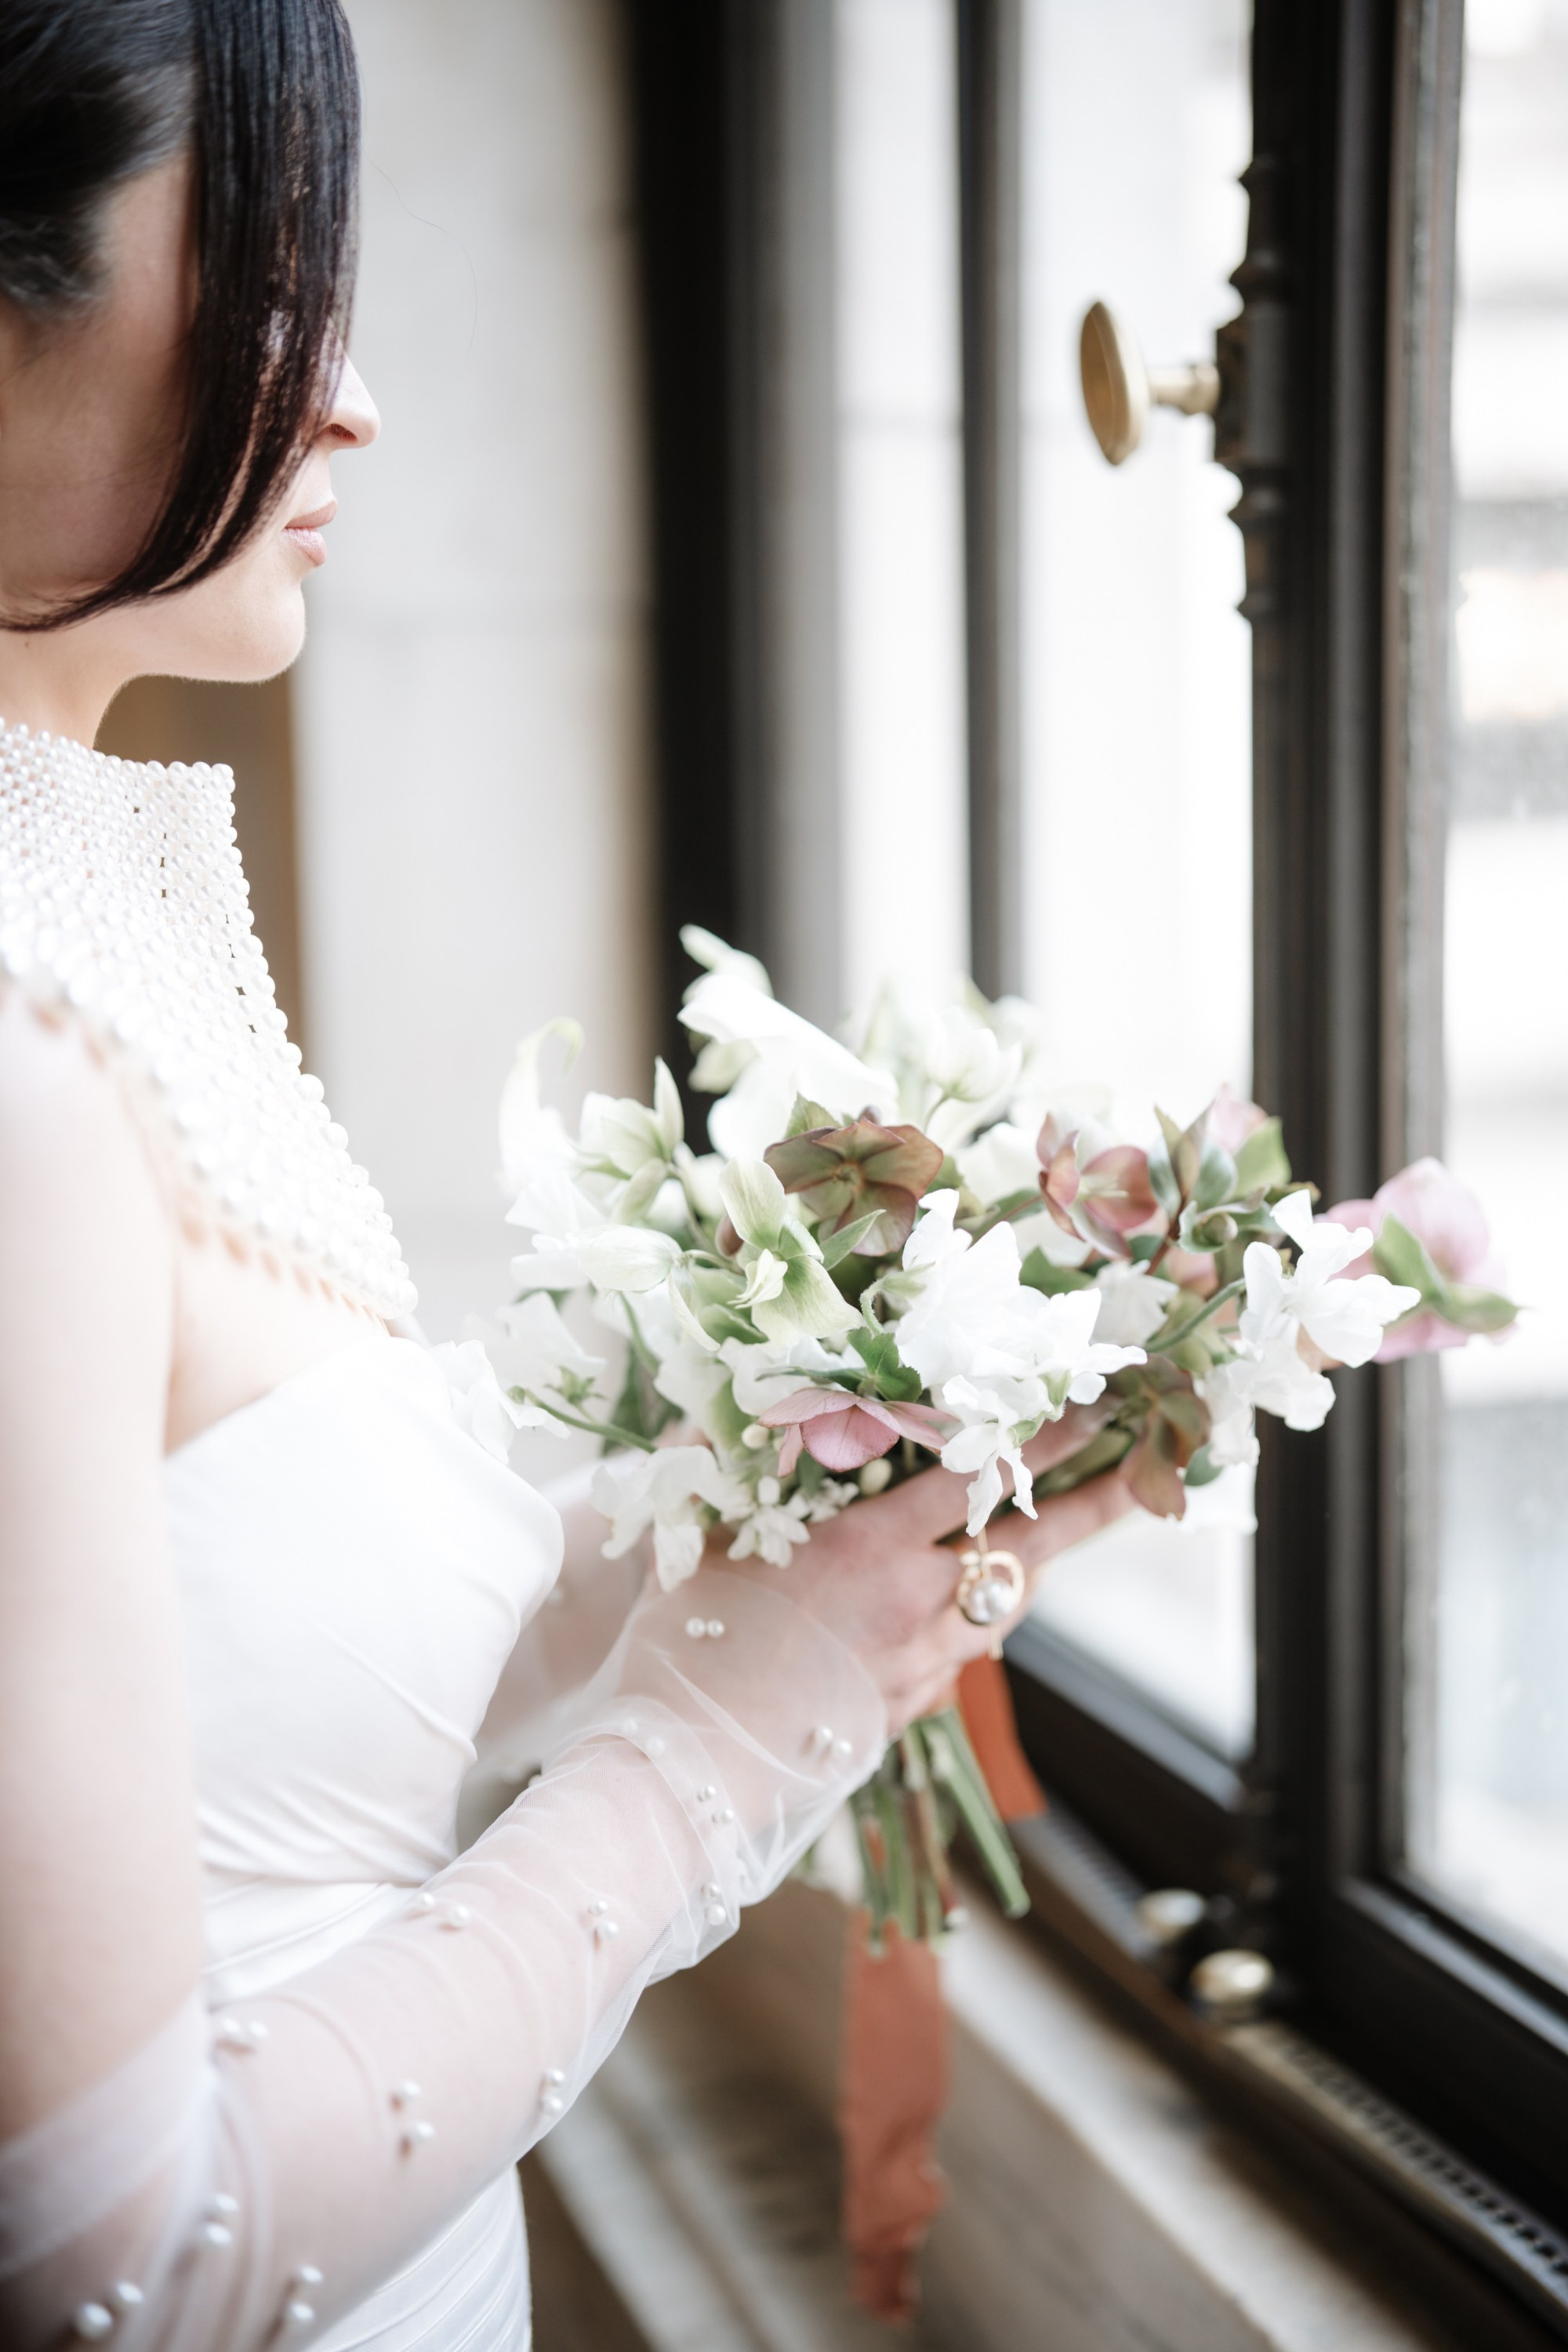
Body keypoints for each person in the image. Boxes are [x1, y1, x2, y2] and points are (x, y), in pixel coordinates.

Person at [0, 5, 1133, 2346]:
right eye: (274, 273)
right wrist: (718, 1749)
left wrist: (862, 1476)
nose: (358, 397)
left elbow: (262, 1686)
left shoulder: (100, 924)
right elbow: (113, 2263)